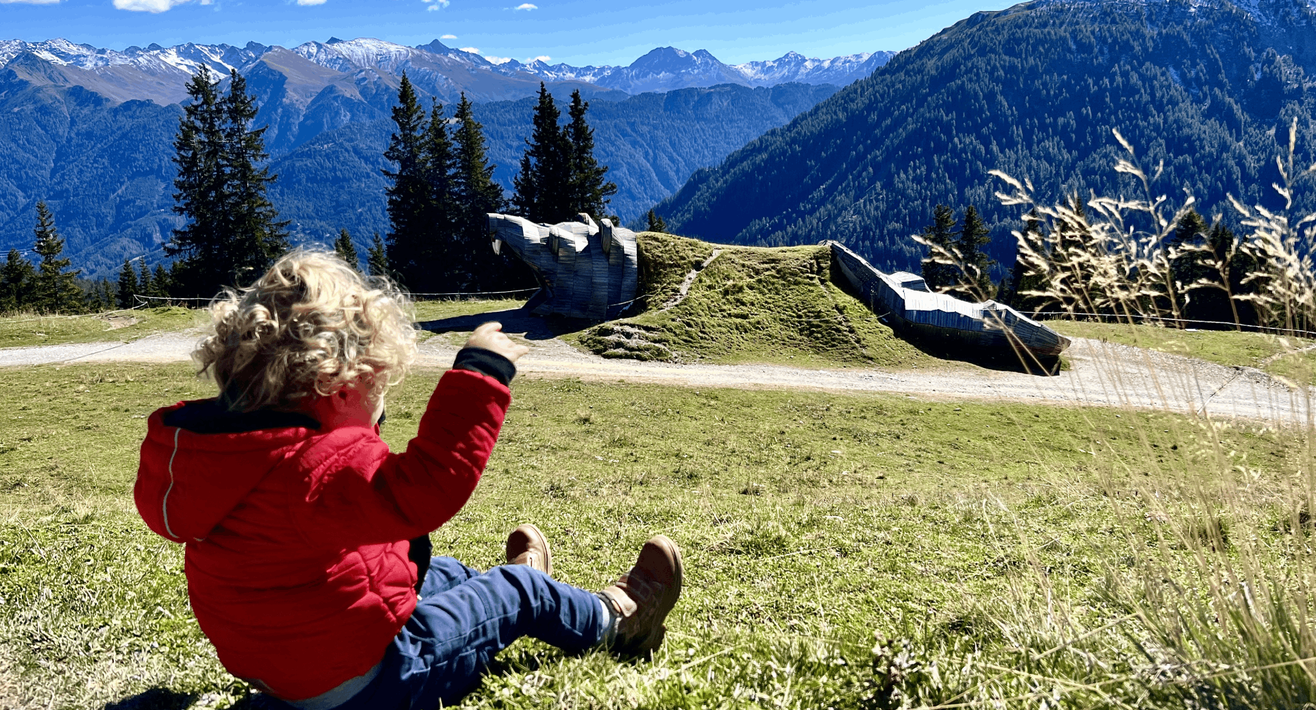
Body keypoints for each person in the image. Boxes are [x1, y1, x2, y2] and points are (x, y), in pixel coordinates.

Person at [133, 250, 682, 709]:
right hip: (374, 682)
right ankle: (618, 620)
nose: (378, 409)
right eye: (376, 392)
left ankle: (521, 593)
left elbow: (331, 526)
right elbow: (426, 487)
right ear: (337, 387)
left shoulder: (222, 454)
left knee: (443, 572)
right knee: (517, 594)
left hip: (293, 670)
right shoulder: (313, 470)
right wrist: (481, 373)